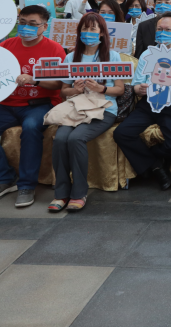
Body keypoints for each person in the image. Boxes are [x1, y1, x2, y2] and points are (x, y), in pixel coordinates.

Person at [0, 5, 66, 207]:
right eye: (22, 23)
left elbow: (58, 84)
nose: (26, 27)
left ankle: (27, 185)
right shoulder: (6, 46)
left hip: (41, 103)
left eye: (32, 24)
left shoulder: (53, 49)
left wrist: (35, 80)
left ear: (43, 27)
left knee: (31, 128)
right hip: (8, 104)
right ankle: (4, 178)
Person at [114, 12, 171, 190]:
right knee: (121, 133)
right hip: (149, 103)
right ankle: (155, 165)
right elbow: (136, 85)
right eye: (159, 29)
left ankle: (154, 160)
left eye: (168, 30)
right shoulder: (148, 53)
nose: (163, 32)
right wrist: (140, 89)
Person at [51, 13, 125, 211]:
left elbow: (120, 89)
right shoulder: (70, 57)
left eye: (93, 29)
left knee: (76, 139)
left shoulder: (113, 56)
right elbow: (63, 91)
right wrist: (75, 89)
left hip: (103, 109)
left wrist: (102, 89)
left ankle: (79, 192)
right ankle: (61, 193)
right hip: (76, 107)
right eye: (85, 28)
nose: (88, 33)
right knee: (59, 139)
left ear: (101, 33)